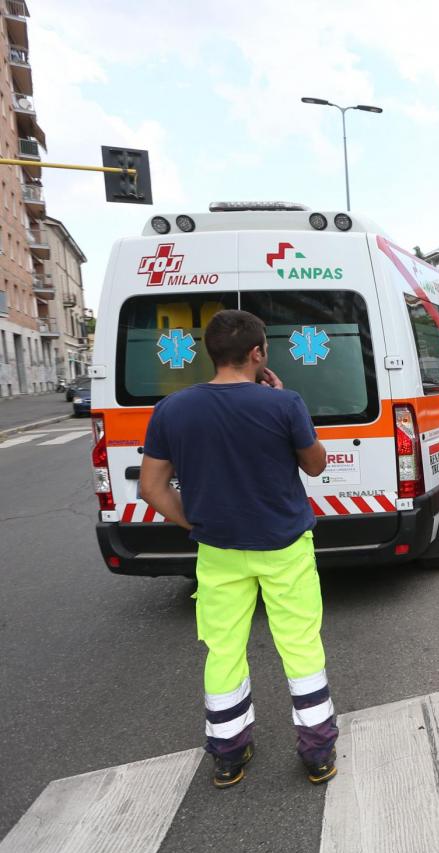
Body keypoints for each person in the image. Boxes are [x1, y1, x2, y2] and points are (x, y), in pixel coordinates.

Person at [137, 310, 337, 789]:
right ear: (257, 354)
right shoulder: (283, 403)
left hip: (218, 549)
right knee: (301, 645)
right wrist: (284, 403)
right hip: (285, 544)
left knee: (223, 649)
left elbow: (150, 488)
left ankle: (228, 754)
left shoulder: (173, 410)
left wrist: (194, 520)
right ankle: (317, 753)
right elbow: (315, 465)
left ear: (211, 353)